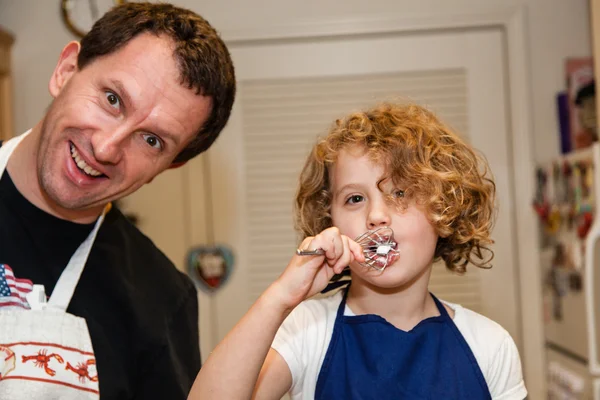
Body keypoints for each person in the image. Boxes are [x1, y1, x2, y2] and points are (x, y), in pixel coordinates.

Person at [188, 103, 527, 399]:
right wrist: (280, 298)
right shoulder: (307, 331)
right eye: (354, 198)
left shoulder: (489, 346)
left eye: (400, 192)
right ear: (329, 220)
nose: (376, 216)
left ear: (444, 211)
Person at [0, 2, 235, 399]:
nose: (106, 148)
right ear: (66, 70)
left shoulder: (162, 300)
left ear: (169, 166)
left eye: (151, 140)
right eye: (112, 99)